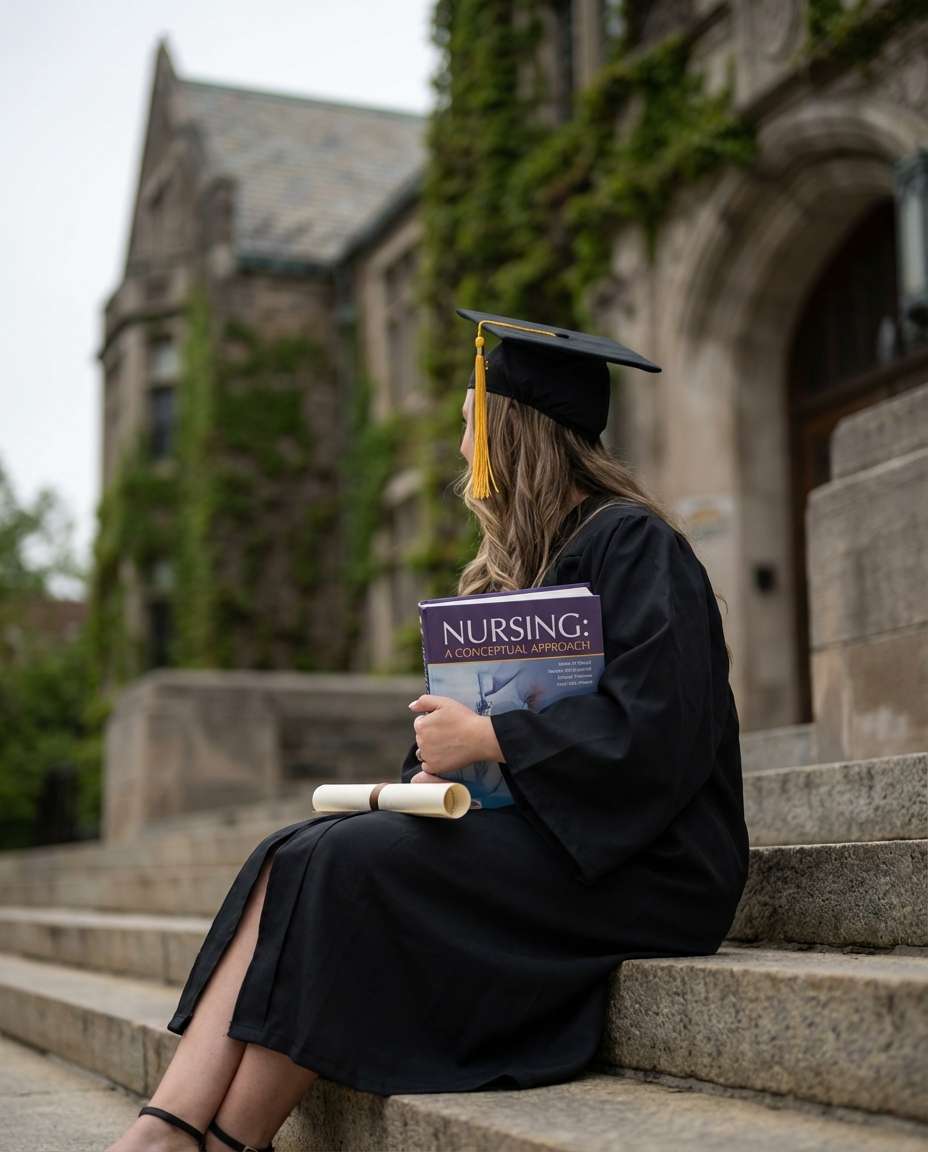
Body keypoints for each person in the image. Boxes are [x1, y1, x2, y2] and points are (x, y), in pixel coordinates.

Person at [107, 309, 749, 1152]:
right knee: (296, 851)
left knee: (346, 863)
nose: (459, 452)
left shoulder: (637, 546)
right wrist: (429, 770)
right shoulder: (519, 573)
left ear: (513, 433)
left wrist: (490, 741)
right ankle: (174, 1128)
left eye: (468, 428)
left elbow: (661, 729)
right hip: (547, 842)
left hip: (648, 864)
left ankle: (215, 1138)